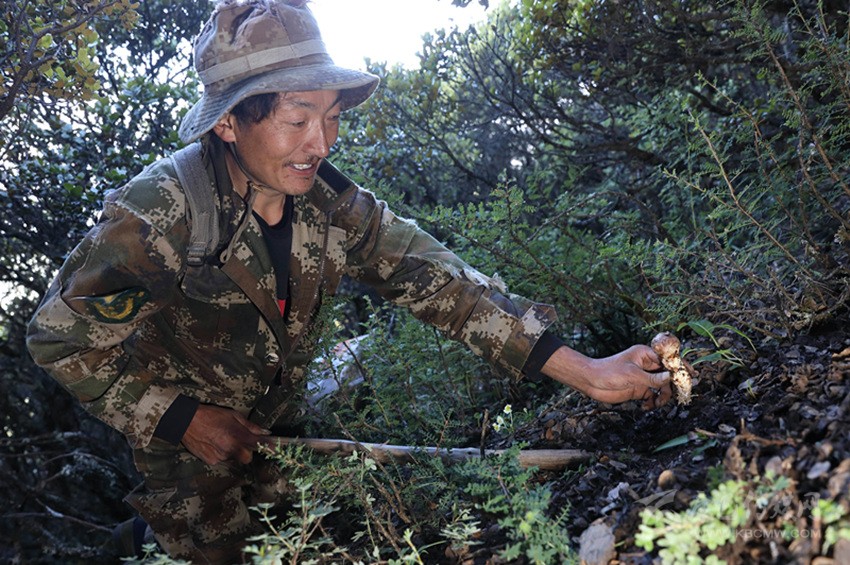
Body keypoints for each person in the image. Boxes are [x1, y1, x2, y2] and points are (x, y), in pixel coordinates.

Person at [26, 0, 672, 561]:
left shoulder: (330, 202)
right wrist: (183, 419)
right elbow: (59, 340)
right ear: (229, 122)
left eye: (332, 116)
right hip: (187, 452)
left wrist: (587, 371)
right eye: (298, 119)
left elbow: (444, 285)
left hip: (283, 431)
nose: (322, 143)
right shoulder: (161, 212)